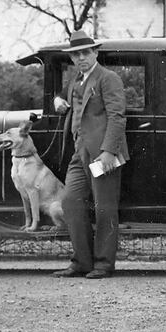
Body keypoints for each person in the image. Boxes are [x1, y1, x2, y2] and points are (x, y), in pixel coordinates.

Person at [53, 32, 128, 279]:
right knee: (70, 201)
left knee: (104, 209)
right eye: (76, 54)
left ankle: (104, 265)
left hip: (102, 154)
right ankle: (81, 262)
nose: (81, 57)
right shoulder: (77, 79)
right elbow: (65, 94)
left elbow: (117, 116)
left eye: (86, 52)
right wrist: (58, 100)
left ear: (95, 53)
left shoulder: (108, 78)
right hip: (79, 153)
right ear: (72, 58)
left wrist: (109, 152)